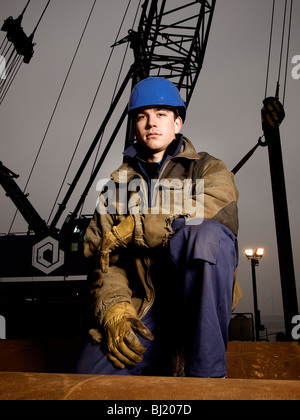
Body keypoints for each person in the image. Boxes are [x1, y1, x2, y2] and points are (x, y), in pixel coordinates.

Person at [76, 77, 242, 378]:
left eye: (161, 114)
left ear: (177, 123)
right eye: (142, 116)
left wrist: (140, 225)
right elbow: (102, 259)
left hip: (198, 302)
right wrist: (116, 310)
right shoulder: (116, 188)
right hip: (145, 309)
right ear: (135, 127)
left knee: (206, 234)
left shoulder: (207, 168)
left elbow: (221, 207)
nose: (151, 123)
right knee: (91, 377)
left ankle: (206, 378)